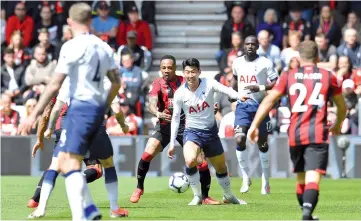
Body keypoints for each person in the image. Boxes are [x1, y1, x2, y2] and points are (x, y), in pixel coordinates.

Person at [18, 3, 121, 220]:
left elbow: (55, 84)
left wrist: (33, 114)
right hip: (96, 111)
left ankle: (82, 214)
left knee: (67, 164)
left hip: (79, 110)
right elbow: (116, 83)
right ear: (91, 21)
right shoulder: (104, 47)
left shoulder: (70, 46)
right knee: (80, 163)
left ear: (69, 22)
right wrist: (104, 105)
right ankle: (90, 209)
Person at [248, 40, 347, 220]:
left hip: (295, 134)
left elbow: (269, 100)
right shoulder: (328, 76)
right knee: (313, 177)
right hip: (317, 132)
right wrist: (338, 124)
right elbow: (342, 107)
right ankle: (307, 213)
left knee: (301, 178)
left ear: (299, 58)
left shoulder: (288, 75)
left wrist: (254, 125)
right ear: (318, 57)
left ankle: (307, 214)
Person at [27, 77, 129, 219]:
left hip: (69, 125)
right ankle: (114, 209)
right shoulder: (105, 79)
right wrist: (123, 125)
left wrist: (48, 130)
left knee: (55, 166)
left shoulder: (69, 79)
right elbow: (117, 110)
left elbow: (53, 110)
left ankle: (41, 207)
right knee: (106, 165)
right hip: (93, 125)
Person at [129, 55, 220, 205]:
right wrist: (158, 113)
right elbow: (151, 104)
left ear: (175, 68)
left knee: (201, 162)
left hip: (186, 125)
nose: (166, 71)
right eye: (163, 68)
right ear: (160, 69)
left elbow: (201, 96)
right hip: (165, 125)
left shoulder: (184, 82)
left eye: (169, 68)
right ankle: (139, 188)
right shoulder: (157, 84)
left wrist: (211, 107)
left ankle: (205, 197)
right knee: (148, 152)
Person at [168, 58, 247, 206]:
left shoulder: (209, 83)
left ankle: (229, 196)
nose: (190, 75)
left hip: (210, 133)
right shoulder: (179, 93)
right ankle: (197, 196)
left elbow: (226, 90)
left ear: (199, 71)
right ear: (183, 73)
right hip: (192, 132)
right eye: (186, 72)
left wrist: (238, 96)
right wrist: (172, 143)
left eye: (192, 72)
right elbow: (176, 119)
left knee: (221, 168)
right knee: (190, 160)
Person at [231, 35, 279, 195]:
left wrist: (260, 87)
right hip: (243, 106)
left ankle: (266, 179)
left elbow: (276, 83)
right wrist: (232, 93)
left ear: (258, 46)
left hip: (261, 107)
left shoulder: (265, 62)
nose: (250, 46)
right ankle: (245, 177)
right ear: (243, 46)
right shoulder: (237, 62)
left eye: (253, 44)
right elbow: (235, 79)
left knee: (262, 143)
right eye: (247, 43)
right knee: (239, 138)